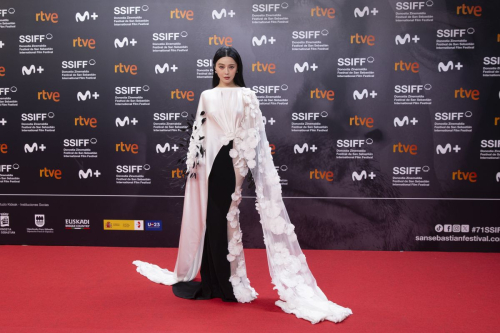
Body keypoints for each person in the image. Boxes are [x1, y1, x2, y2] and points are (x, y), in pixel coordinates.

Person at [133, 46, 352, 324]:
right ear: (214, 68)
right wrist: (196, 165)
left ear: (238, 69)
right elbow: (200, 135)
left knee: (227, 217)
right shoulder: (206, 96)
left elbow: (252, 135)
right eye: (221, 66)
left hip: (234, 162)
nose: (226, 72)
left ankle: (229, 283)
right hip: (208, 164)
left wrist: (241, 169)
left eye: (231, 67)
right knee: (212, 220)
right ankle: (212, 282)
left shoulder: (248, 96)